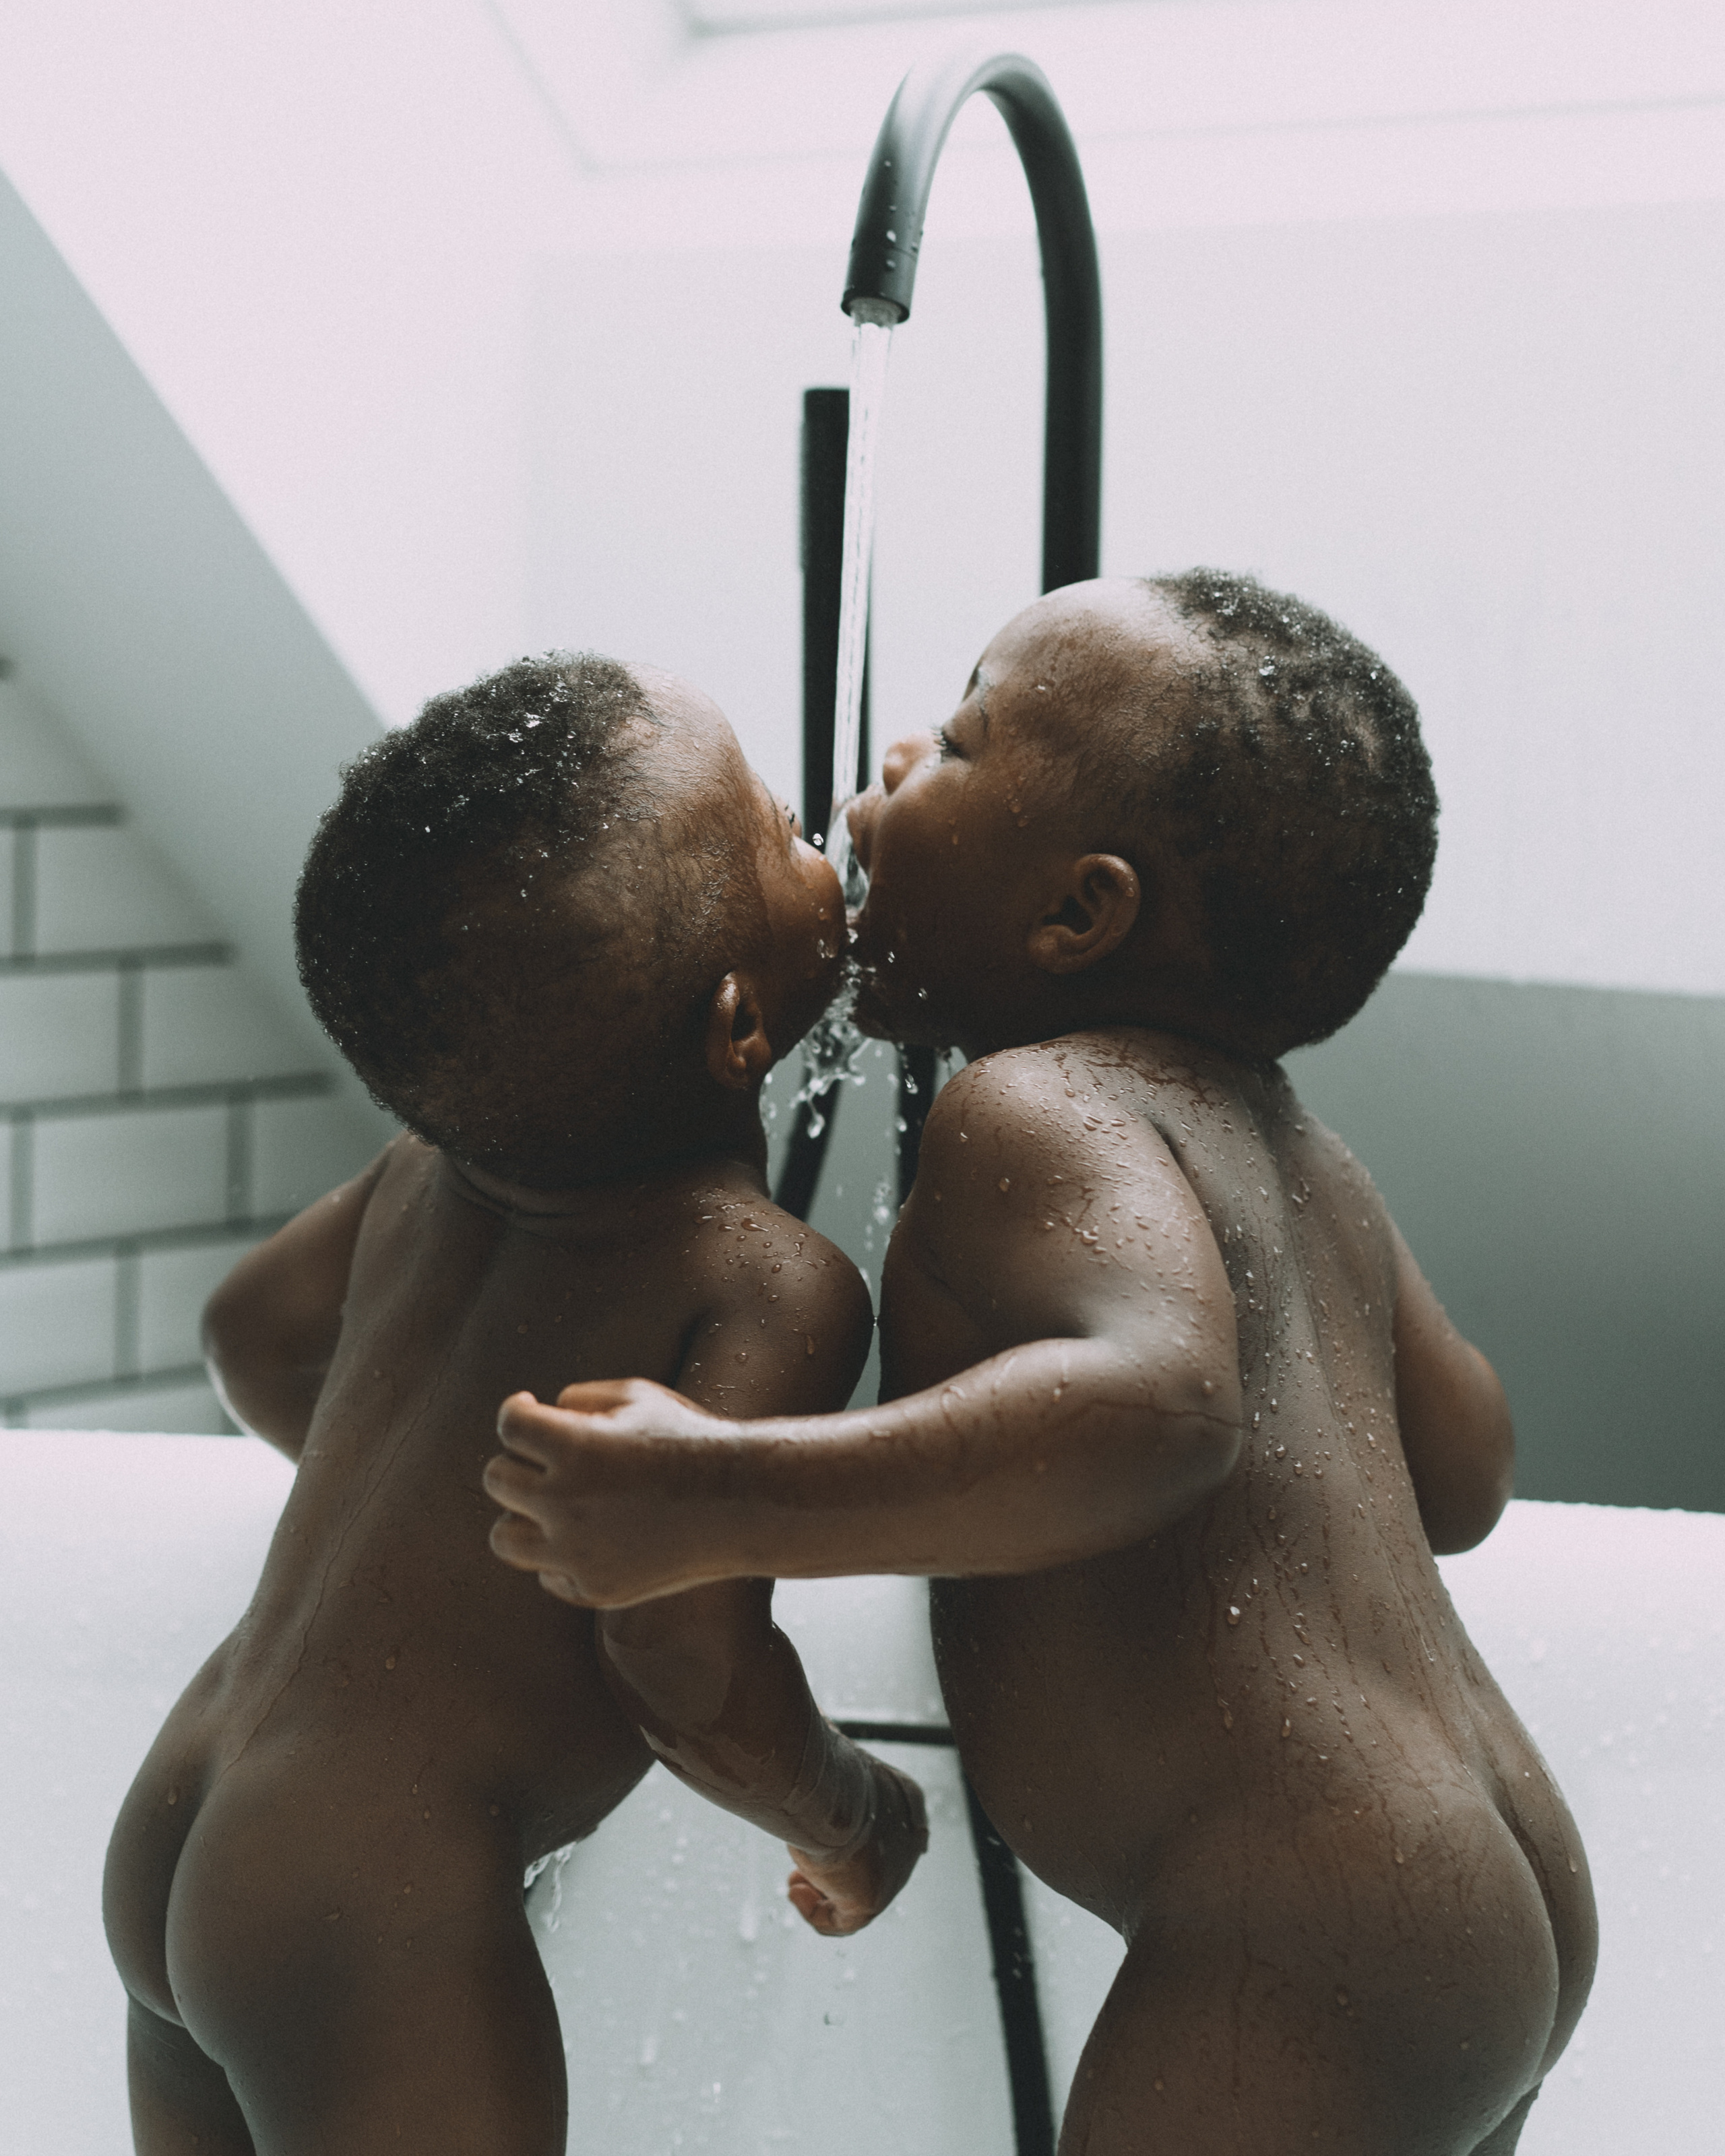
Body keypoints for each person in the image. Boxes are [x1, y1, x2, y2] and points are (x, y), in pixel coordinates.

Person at [486, 577, 1597, 2155]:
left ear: (1075, 917)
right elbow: (1466, 1475)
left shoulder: (1033, 1104)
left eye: (954, 736)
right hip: (1486, 1877)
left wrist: (718, 1495)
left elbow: (1162, 1408)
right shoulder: (1301, 1157)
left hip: (1309, 1924)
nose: (888, 755)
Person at [102, 654, 927, 2156]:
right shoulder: (763, 1281)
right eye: (782, 832)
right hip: (371, 1904)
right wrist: (852, 1819)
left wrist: (422, 1529)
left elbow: (255, 1337)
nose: (827, 845)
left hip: (186, 1805)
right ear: (740, 1026)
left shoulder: (431, 1165)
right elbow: (681, 1654)